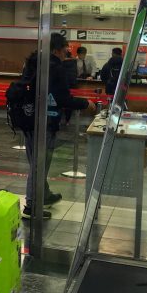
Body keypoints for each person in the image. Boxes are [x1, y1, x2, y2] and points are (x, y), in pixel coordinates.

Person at [21, 34, 96, 219]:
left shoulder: (32, 63)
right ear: (56, 49)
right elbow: (63, 99)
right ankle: (32, 205)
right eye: (65, 50)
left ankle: (43, 195)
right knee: (40, 165)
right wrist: (85, 103)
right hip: (46, 121)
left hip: (27, 118)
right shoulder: (55, 67)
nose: (66, 53)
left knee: (36, 162)